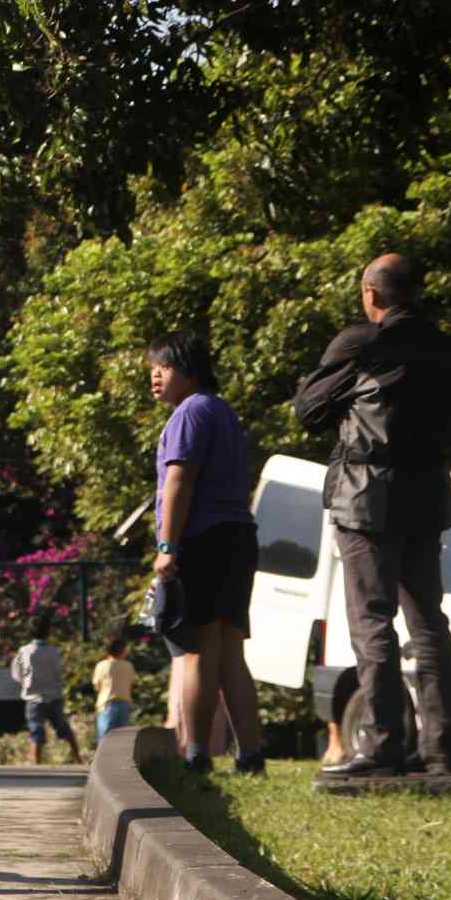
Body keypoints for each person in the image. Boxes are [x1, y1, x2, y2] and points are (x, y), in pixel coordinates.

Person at [296, 254, 451, 777]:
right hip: (426, 494)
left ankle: (382, 744)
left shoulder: (361, 342)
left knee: (372, 623)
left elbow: (309, 410)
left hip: (366, 497)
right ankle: (438, 750)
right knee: (428, 622)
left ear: (372, 292)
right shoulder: (442, 345)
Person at [148, 331, 265, 774]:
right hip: (237, 537)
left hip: (203, 539)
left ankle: (196, 754)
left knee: (196, 650)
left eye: (164, 367)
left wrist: (167, 546)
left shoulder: (190, 412)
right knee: (230, 652)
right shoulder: (222, 411)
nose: (156, 377)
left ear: (187, 368)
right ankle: (250, 755)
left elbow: (180, 481)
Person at [10, 617, 84, 766]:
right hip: (54, 696)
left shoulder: (24, 651)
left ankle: (36, 762)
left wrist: (26, 683)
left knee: (36, 730)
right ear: (48, 632)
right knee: (63, 728)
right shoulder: (53, 652)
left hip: (33, 697)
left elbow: (16, 673)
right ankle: (78, 758)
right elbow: (59, 672)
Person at [93, 634, 136, 741]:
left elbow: (96, 686)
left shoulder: (101, 665)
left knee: (105, 739)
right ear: (123, 650)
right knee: (121, 740)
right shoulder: (128, 666)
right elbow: (131, 684)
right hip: (124, 704)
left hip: (106, 705)